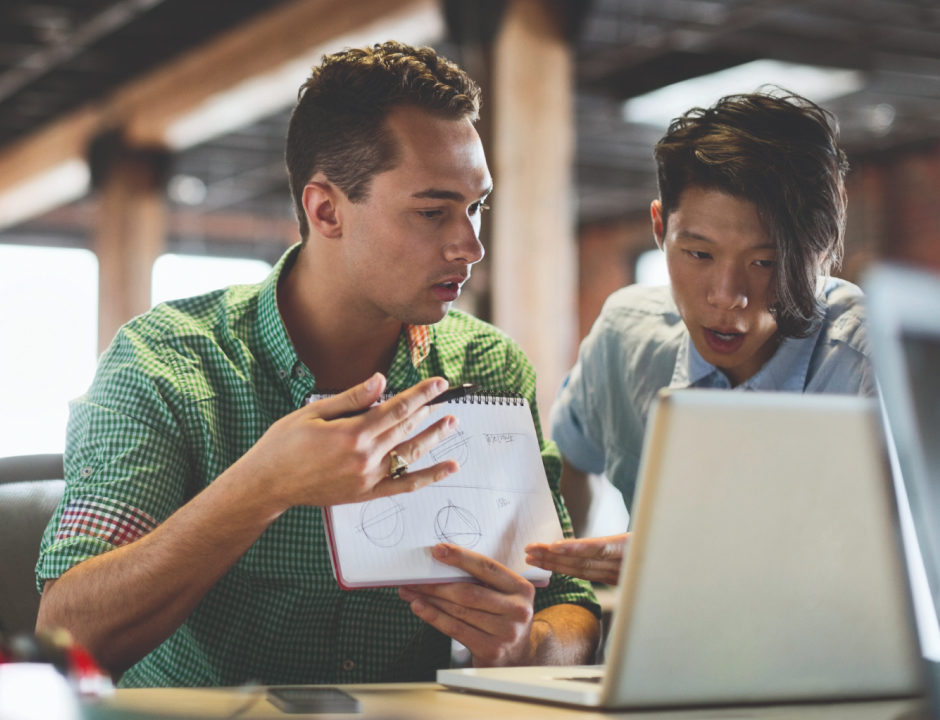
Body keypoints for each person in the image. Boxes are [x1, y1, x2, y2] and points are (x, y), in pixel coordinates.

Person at [35, 42, 600, 687]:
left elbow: (571, 607)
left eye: (475, 207)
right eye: (432, 212)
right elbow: (66, 636)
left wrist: (526, 646)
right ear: (326, 209)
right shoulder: (166, 363)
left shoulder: (489, 367)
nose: (470, 246)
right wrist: (261, 488)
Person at [526, 92, 874, 586]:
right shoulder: (627, 338)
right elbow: (568, 463)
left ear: (818, 254)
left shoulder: (868, 370)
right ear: (659, 228)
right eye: (699, 255)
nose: (726, 296)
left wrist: (693, 563)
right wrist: (562, 593)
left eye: (765, 262)